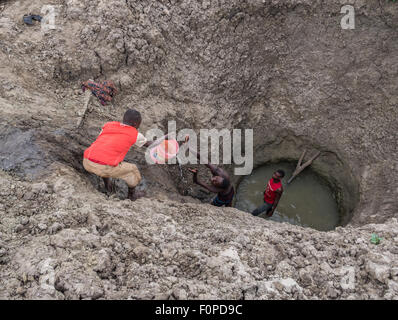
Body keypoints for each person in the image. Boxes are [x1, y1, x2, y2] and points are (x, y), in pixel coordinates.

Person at [83, 109, 167, 201]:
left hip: (87, 161)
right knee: (133, 170)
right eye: (139, 124)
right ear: (135, 124)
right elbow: (151, 144)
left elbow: (101, 145)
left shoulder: (108, 125)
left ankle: (108, 186)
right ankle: (131, 195)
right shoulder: (134, 134)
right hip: (103, 167)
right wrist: (166, 137)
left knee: (105, 155)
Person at [187, 141, 234, 207]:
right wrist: (189, 148)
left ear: (217, 187)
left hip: (224, 197)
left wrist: (195, 174)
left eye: (215, 182)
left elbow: (196, 181)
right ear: (220, 176)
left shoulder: (216, 189)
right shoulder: (219, 172)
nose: (213, 179)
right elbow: (201, 157)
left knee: (214, 205)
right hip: (231, 190)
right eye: (216, 178)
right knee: (229, 203)